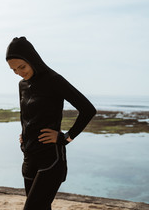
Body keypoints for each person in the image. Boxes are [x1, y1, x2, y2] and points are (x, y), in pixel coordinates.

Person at [6, 36, 96, 210]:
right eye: (14, 70)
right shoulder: (22, 85)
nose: (19, 72)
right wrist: (24, 134)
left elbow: (88, 110)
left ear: (31, 59)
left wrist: (66, 138)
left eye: (22, 67)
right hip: (29, 158)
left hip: (51, 160)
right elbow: (26, 116)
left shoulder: (54, 80)